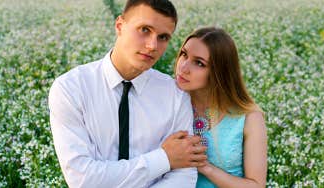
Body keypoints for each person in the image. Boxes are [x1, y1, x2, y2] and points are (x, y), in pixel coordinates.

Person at [48, 0, 207, 187]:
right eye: (145, 30)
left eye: (163, 37)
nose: (152, 46)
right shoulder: (70, 89)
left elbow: (183, 176)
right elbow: (83, 179)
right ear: (120, 26)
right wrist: (164, 158)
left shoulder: (176, 95)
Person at [174, 27, 268, 188]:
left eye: (199, 63)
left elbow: (257, 185)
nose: (183, 68)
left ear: (219, 72)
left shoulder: (249, 117)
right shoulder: (166, 102)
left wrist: (206, 168)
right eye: (184, 54)